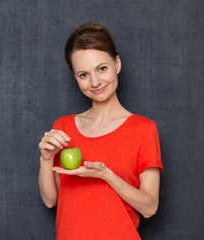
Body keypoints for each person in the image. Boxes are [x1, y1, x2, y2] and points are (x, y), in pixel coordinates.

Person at [38, 22, 163, 240]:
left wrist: (106, 175)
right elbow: (51, 200)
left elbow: (149, 208)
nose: (95, 82)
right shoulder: (63, 128)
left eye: (102, 68)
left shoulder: (144, 130)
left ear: (117, 64)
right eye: (83, 75)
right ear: (75, 77)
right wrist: (46, 159)